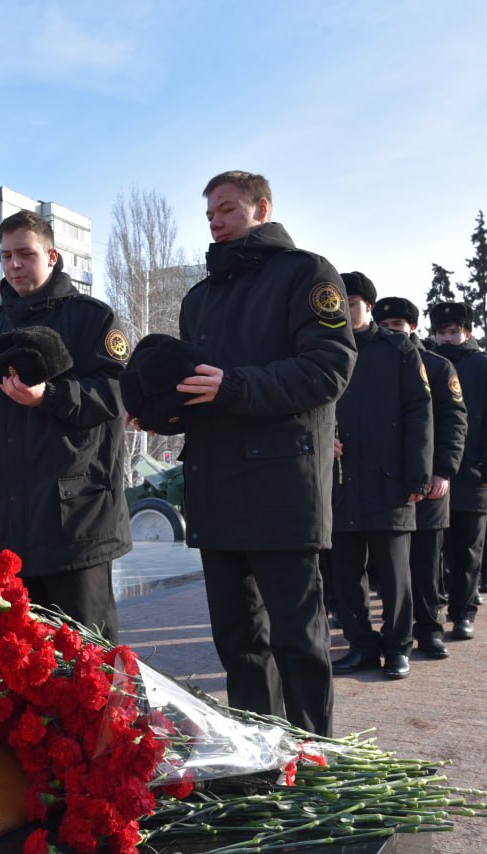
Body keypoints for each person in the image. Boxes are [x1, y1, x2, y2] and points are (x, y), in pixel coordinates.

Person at [175, 171, 356, 735]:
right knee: (239, 644)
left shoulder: (306, 273)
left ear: (262, 207)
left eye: (227, 209)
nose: (217, 221)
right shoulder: (199, 298)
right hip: (216, 487)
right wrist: (158, 408)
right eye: (210, 214)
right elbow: (194, 385)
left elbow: (330, 368)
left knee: (297, 640)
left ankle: (315, 758)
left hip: (282, 490)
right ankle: (259, 755)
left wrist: (235, 386)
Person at [0, 210, 131, 641]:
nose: (14, 265)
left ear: (52, 255)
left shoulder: (92, 319)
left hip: (76, 522)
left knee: (89, 662)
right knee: (20, 658)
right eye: (5, 256)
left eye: (25, 254)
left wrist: (50, 396)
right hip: (9, 526)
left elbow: (117, 393)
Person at [326, 278, 432, 681]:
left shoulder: (398, 350)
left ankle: (398, 647)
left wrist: (418, 475)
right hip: (340, 481)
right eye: (336, 303)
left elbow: (420, 413)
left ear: (367, 306)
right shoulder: (325, 349)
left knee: (393, 571)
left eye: (351, 303)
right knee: (346, 571)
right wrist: (321, 440)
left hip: (389, 479)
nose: (343, 310)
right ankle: (361, 646)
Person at [373, 297, 466, 662]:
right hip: (386, 483)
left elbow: (454, 422)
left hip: (429, 483)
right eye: (386, 325)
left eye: (399, 325)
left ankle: (429, 630)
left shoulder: (437, 367)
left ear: (412, 328)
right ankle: (394, 633)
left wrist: (443, 470)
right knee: (391, 569)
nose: (392, 331)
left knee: (426, 565)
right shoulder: (369, 363)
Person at [429, 302, 487, 642]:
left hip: (474, 472)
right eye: (442, 333)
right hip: (432, 471)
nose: (448, 338)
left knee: (467, 549)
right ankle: (434, 607)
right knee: (432, 550)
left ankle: (463, 613)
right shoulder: (425, 363)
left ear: (467, 332)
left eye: (453, 332)